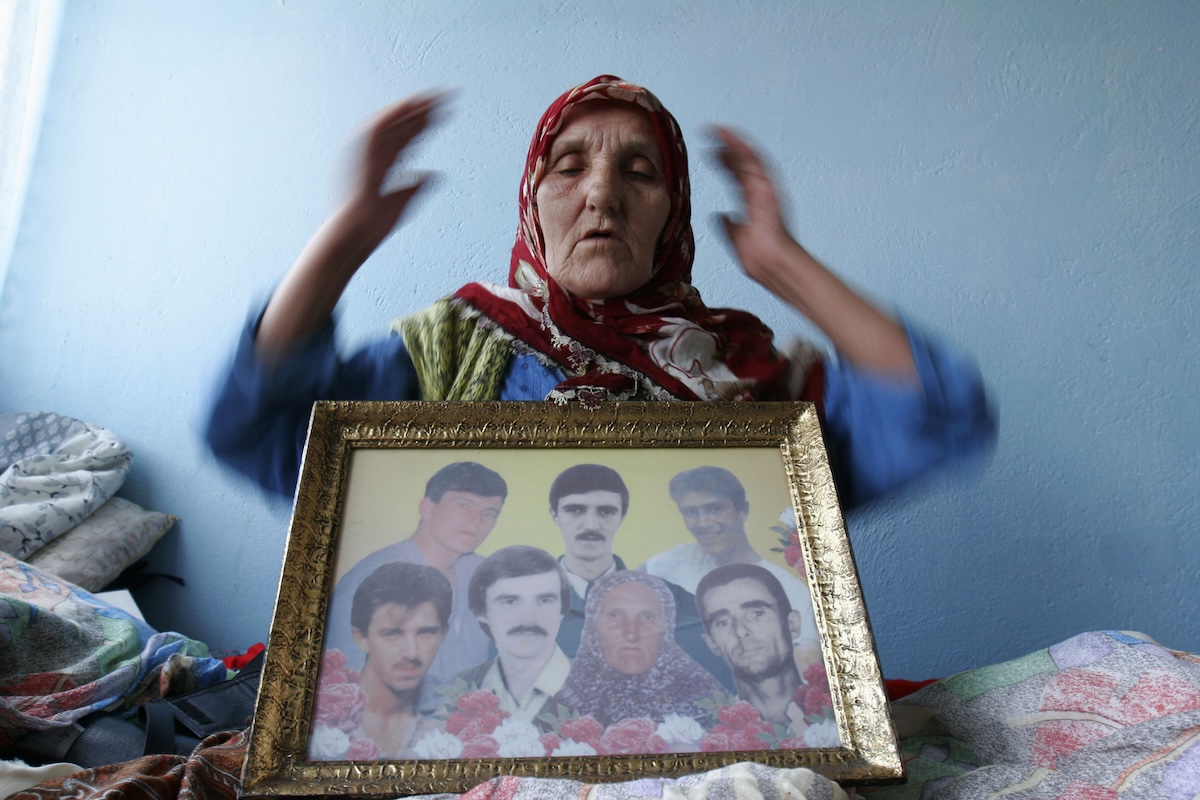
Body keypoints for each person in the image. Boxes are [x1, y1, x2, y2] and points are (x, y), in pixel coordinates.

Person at [203, 74, 994, 528]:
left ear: (673, 217)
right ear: (531, 203)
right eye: (569, 167)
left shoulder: (746, 375)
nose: (602, 196)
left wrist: (784, 264)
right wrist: (345, 238)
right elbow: (256, 429)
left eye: (641, 174)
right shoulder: (456, 347)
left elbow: (941, 414)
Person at [323, 461, 507, 691]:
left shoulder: (485, 575)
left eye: (489, 513)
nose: (477, 521)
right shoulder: (370, 578)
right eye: (463, 505)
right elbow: (345, 686)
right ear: (427, 508)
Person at [546, 463, 732, 689]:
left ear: (622, 517)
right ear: (554, 515)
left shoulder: (672, 600)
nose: (591, 525)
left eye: (606, 511)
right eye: (575, 510)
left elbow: (719, 686)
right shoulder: (519, 602)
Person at [642, 466, 821, 666]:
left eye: (715, 509)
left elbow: (801, 665)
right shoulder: (675, 561)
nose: (703, 523)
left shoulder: (790, 590)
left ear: (743, 510)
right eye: (691, 512)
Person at [552, 571, 724, 727]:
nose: (631, 634)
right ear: (593, 625)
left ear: (667, 625)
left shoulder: (706, 697)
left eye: (647, 617)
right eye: (615, 616)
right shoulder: (566, 706)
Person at [322, 561, 451, 760]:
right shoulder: (320, 711)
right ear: (361, 637)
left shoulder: (460, 712)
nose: (411, 653)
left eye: (425, 632)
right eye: (393, 633)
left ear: (443, 634)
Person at [695, 563, 827, 738]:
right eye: (723, 622)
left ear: (792, 624)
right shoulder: (707, 737)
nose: (740, 631)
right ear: (712, 643)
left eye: (756, 614)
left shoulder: (838, 709)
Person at [453, 545, 571, 721]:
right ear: (481, 612)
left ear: (562, 610)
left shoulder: (601, 690)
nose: (529, 619)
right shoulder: (458, 688)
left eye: (545, 600)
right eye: (510, 602)